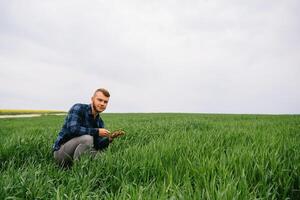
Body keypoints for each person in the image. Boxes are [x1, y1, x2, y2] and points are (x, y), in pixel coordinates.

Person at [53, 88, 122, 167]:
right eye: (99, 100)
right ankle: (79, 170)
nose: (102, 103)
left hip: (77, 153)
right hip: (61, 153)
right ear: (92, 99)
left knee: (100, 154)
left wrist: (109, 138)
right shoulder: (78, 108)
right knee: (88, 138)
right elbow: (73, 129)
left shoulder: (100, 122)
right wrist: (96, 132)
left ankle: (82, 165)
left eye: (105, 102)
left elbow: (97, 145)